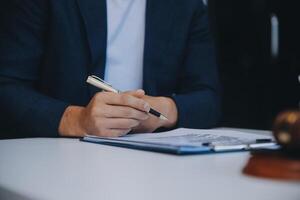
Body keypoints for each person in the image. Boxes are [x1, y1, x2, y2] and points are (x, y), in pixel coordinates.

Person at [0, 0, 220, 139]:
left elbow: (209, 99)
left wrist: (164, 110)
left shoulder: (187, 6)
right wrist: (76, 120)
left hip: (151, 164)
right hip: (56, 160)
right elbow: (7, 87)